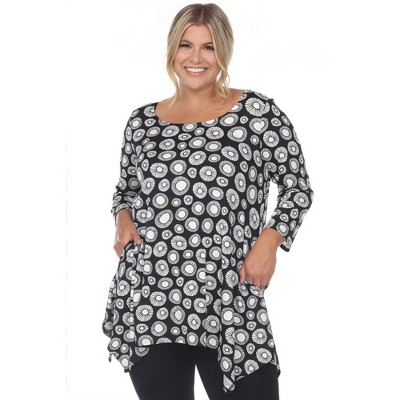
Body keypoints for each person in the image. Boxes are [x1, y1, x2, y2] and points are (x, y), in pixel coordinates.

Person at [102, 3, 314, 400]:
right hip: (153, 294)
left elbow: (297, 187)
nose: (195, 58)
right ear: (172, 49)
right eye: (186, 45)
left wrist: (269, 243)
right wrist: (122, 218)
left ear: (224, 52)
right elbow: (126, 189)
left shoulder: (256, 114)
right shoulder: (142, 122)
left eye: (209, 47)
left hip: (228, 294)